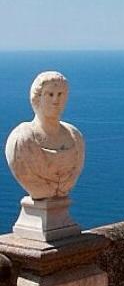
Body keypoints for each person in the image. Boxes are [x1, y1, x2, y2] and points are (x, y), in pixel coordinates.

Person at [5, 71, 85, 200]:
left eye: (60, 94)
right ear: (37, 97)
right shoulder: (22, 140)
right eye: (50, 94)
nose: (56, 100)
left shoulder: (75, 136)